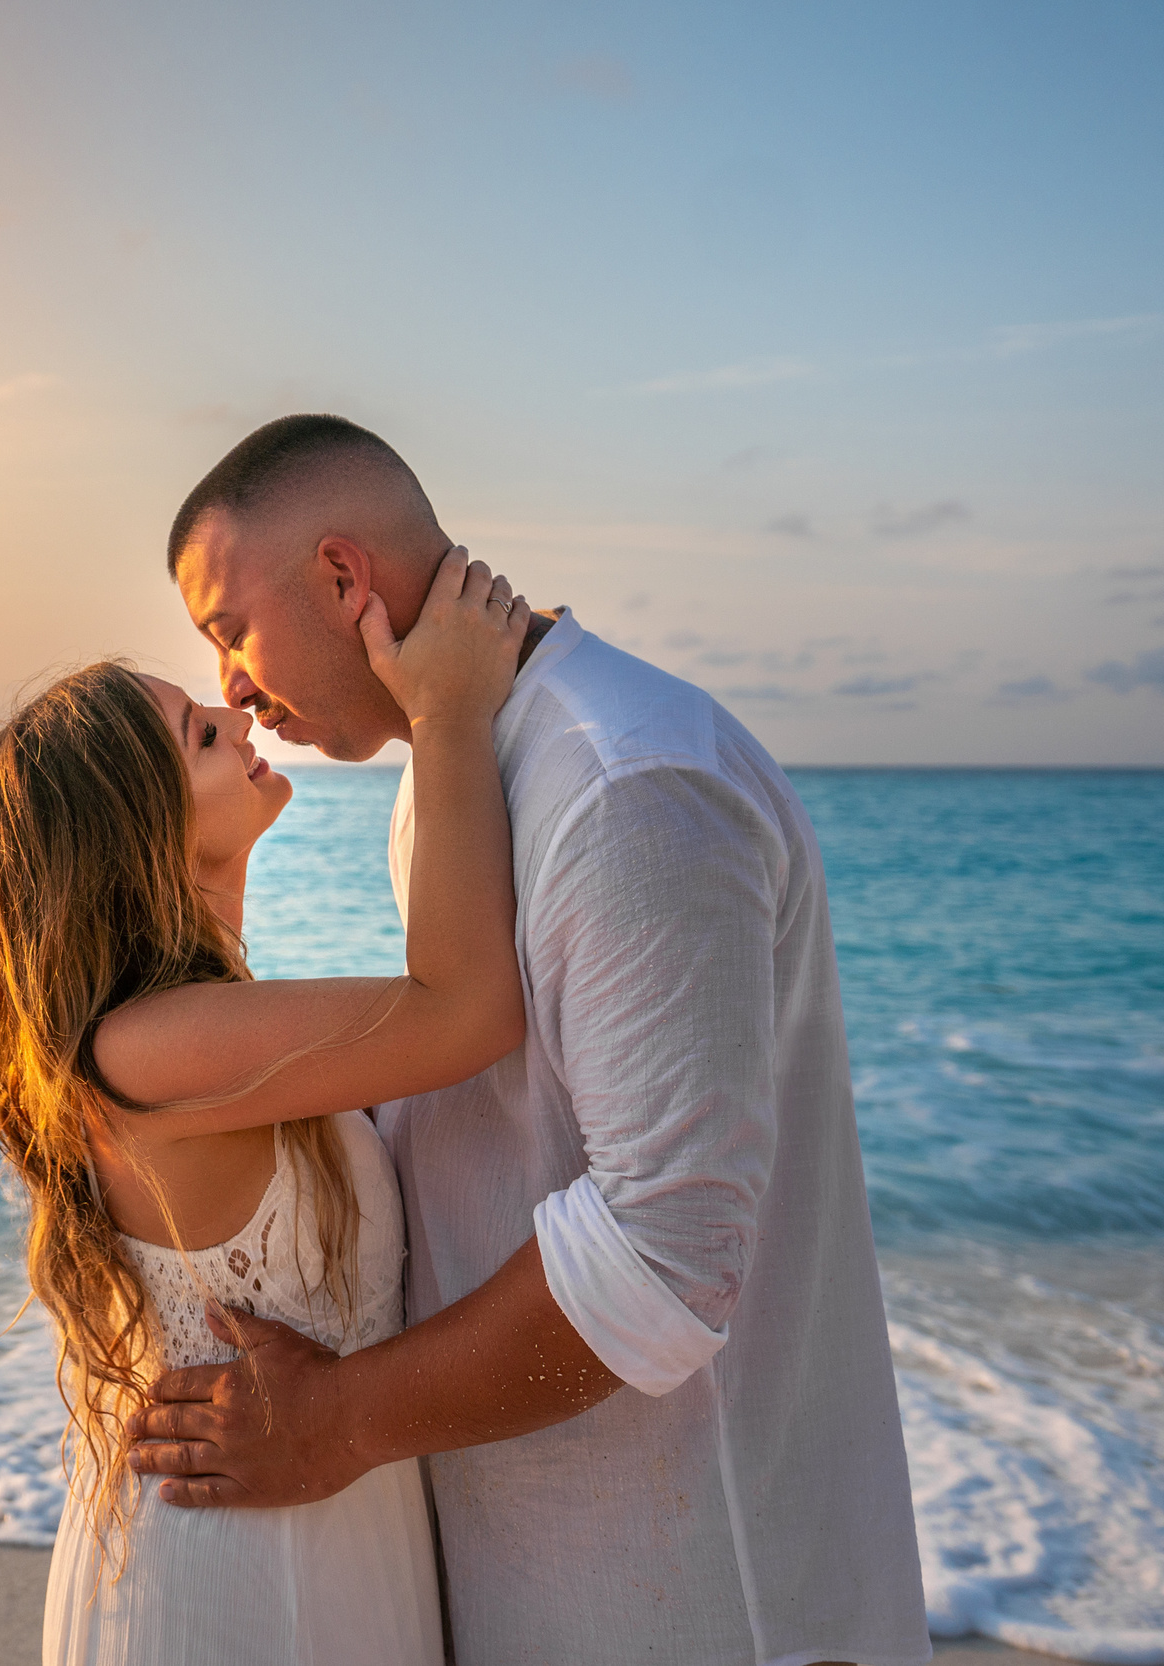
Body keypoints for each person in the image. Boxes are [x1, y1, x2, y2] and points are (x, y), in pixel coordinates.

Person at [131, 414, 931, 1666]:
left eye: (227, 627)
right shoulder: (462, 768)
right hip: (556, 1570)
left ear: (342, 578)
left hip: (702, 1595)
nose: (228, 683)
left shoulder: (624, 781)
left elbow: (664, 1255)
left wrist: (335, 1420)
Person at [0, 551, 532, 1663]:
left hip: (316, 1529)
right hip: (236, 1581)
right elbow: (466, 1012)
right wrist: (446, 712)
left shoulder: (196, 1023)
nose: (233, 710)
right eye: (198, 735)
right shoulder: (147, 1046)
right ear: (134, 834)